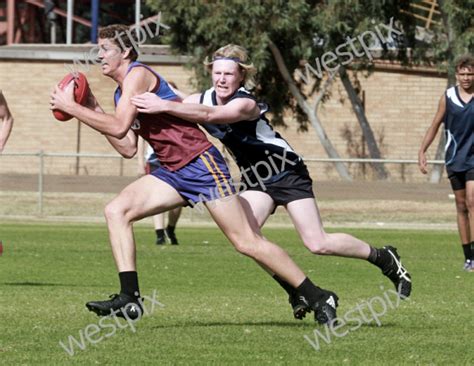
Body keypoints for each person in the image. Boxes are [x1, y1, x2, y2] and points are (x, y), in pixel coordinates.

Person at [50, 25, 339, 325]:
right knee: (116, 211)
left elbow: (118, 126)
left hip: (201, 165)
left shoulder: (137, 75)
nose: (99, 56)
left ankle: (317, 295)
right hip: (172, 171)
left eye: (105, 49)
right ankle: (129, 298)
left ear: (124, 52)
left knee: (246, 241)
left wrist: (72, 107)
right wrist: (91, 106)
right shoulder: (121, 92)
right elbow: (126, 145)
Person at [131, 44, 413, 319]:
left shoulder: (245, 102)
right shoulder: (201, 98)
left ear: (241, 75)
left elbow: (209, 115)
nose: (222, 79)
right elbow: (177, 100)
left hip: (286, 171)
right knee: (247, 241)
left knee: (317, 243)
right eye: (217, 73)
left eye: (229, 74)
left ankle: (383, 257)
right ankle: (296, 291)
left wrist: (163, 104)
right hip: (255, 179)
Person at [418, 54, 474, 272]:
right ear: (457, 74)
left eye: (470, 73)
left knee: (472, 201)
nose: (467, 77)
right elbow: (434, 125)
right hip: (454, 158)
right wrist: (422, 150)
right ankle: (468, 257)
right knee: (461, 207)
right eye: (463, 73)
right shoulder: (448, 97)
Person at [137, 136, 182, 245]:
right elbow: (141, 138)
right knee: (157, 198)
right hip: (155, 160)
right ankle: (160, 235)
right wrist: (140, 162)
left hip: (178, 158)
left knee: (179, 200)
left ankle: (170, 229)